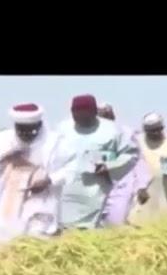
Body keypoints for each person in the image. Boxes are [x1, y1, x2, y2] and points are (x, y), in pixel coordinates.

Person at [0, 103, 75, 261]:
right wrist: (5, 158)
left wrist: (49, 180)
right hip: (3, 203)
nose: (26, 134)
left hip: (40, 201)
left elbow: (72, 168)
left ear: (39, 125)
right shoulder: (2, 139)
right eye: (21, 130)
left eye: (31, 131)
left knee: (35, 247)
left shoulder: (55, 142)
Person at [57, 94, 137, 229]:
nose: (80, 118)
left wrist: (109, 166)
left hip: (98, 190)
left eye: (85, 115)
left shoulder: (114, 130)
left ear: (94, 112)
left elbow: (130, 155)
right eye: (77, 115)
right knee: (66, 229)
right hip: (68, 192)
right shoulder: (62, 129)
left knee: (95, 230)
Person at [97, 103, 151, 226]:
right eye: (100, 116)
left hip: (121, 187)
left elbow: (138, 160)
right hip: (97, 187)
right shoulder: (89, 135)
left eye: (107, 115)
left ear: (112, 115)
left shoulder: (126, 133)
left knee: (117, 224)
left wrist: (141, 186)